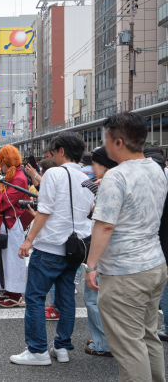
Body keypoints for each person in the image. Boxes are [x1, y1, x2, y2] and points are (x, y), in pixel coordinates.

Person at [86, 112, 168, 381]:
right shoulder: (156, 168)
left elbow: (104, 226)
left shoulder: (116, 176)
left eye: (106, 139)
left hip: (125, 271)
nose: (104, 144)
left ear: (118, 142)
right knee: (148, 335)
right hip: (154, 263)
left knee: (129, 345)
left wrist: (91, 266)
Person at [10, 132, 94, 366]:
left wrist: (29, 240)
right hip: (75, 248)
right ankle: (62, 346)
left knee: (35, 297)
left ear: (62, 151)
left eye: (54, 151)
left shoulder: (54, 174)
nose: (53, 156)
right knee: (66, 299)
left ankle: (37, 350)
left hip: (50, 247)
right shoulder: (87, 178)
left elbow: (45, 210)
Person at [0, 145, 34, 307]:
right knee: (5, 259)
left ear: (4, 161)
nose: (0, 166)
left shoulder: (18, 177)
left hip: (10, 223)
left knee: (13, 259)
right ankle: (9, 291)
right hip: (5, 223)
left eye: (0, 162)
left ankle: (16, 295)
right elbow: (1, 199)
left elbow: (6, 202)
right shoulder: (14, 175)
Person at [77, 146, 117, 357]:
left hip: (104, 252)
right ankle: (108, 340)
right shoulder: (122, 181)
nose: (92, 168)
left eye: (94, 163)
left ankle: (103, 343)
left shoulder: (107, 186)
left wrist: (91, 265)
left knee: (94, 299)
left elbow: (105, 225)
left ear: (104, 165)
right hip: (123, 254)